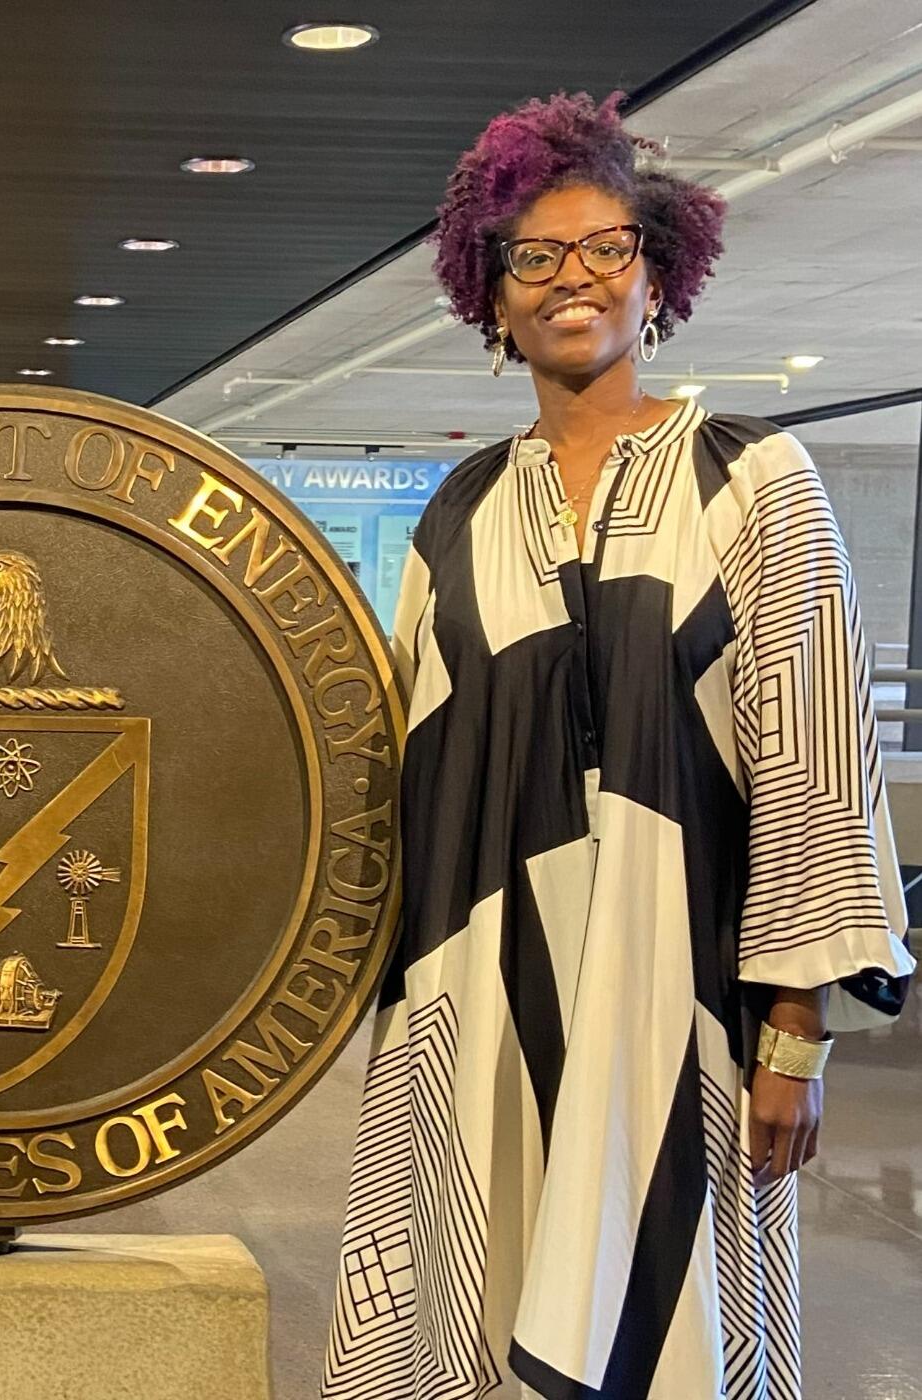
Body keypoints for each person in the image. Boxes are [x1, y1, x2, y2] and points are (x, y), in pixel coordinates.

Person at [322, 93, 913, 1399]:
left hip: (682, 994)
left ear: (659, 277)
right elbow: (398, 774)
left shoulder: (751, 479)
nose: (571, 280)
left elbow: (814, 768)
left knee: (672, 1320)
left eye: (605, 250)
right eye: (535, 257)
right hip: (475, 987)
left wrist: (796, 1039)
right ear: (490, 297)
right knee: (475, 1293)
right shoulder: (460, 510)